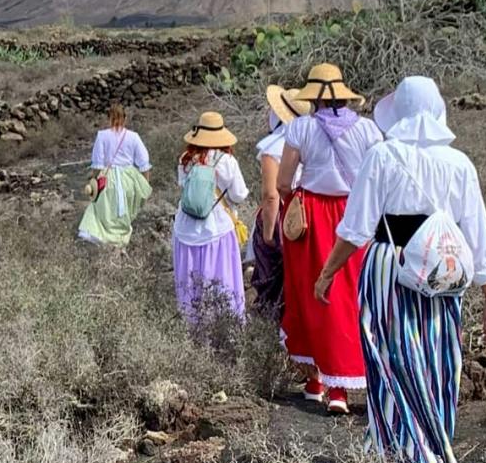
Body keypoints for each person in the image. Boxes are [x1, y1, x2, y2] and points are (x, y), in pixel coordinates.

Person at [319, 76, 486, 463]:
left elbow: (357, 228)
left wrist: (327, 272)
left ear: (398, 111)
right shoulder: (460, 164)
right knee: (435, 366)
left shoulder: (382, 156)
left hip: (390, 265)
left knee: (389, 364)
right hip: (443, 273)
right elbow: (478, 237)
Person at [276, 62, 384, 415]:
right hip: (355, 217)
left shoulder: (300, 128)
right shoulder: (368, 129)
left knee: (312, 298)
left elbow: (283, 182)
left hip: (312, 219)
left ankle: (318, 381)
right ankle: (346, 383)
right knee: (351, 296)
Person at [172, 112, 250, 325]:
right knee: (221, 281)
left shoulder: (185, 159)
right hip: (216, 230)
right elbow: (239, 194)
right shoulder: (227, 161)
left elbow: (183, 187)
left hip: (185, 229)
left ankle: (191, 327)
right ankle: (224, 326)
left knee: (189, 283)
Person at [250, 83, 311, 319]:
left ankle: (272, 329)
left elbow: (271, 194)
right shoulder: (307, 142)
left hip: (281, 216)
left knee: (271, 280)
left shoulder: (272, 148)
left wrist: (267, 233)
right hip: (304, 215)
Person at [78, 104, 153, 246]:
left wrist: (95, 181)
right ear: (125, 118)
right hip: (129, 179)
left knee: (102, 213)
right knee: (124, 214)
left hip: (108, 178)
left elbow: (97, 164)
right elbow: (144, 163)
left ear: (108, 118)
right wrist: (145, 185)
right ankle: (120, 245)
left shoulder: (102, 136)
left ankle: (107, 245)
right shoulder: (133, 137)